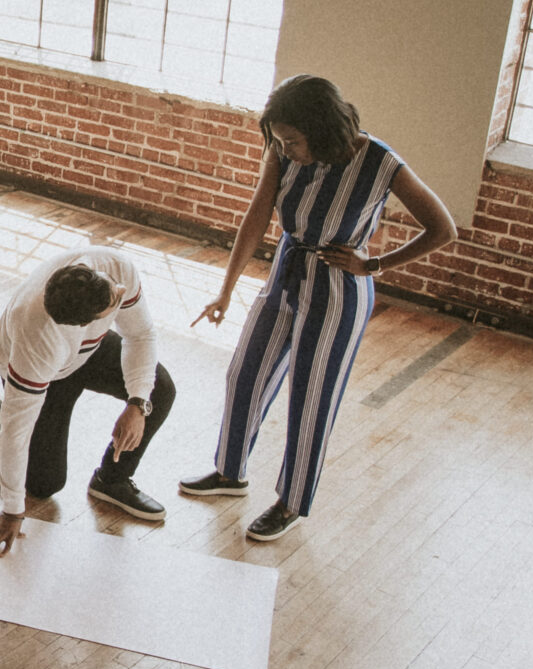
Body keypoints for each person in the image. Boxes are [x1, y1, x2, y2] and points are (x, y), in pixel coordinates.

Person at [181, 74, 458, 542]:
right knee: (244, 374)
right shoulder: (281, 152)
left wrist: (374, 265)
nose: (284, 149)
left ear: (321, 128)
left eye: (293, 140)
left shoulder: (380, 162)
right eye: (279, 140)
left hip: (338, 289)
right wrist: (226, 290)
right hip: (286, 273)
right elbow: (257, 215)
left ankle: (290, 503)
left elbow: (442, 228)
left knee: (311, 400)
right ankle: (230, 472)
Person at [0, 247, 178, 553]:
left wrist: (137, 403)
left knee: (159, 390)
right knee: (43, 484)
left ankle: (111, 479)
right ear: (84, 322)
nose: (121, 291)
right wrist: (12, 510)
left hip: (87, 351)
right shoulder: (36, 339)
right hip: (45, 371)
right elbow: (16, 432)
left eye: (112, 288)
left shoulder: (117, 270)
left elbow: (141, 336)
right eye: (114, 301)